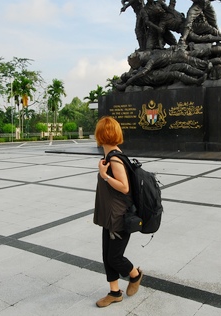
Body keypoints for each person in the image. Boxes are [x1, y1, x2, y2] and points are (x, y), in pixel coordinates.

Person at [93, 116, 142, 307]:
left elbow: (124, 187)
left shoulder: (114, 158)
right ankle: (114, 292)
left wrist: (104, 176)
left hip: (119, 217)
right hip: (110, 216)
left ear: (100, 135)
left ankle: (135, 275)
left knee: (114, 257)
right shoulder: (112, 156)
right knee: (107, 255)